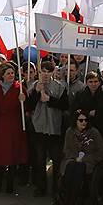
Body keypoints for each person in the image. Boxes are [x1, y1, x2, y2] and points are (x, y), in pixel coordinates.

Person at [26, 59, 68, 197]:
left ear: (53, 72)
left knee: (56, 159)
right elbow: (29, 106)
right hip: (39, 127)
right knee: (40, 160)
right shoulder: (33, 86)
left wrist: (49, 99)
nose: (45, 74)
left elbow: (64, 105)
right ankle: (40, 187)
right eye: (42, 71)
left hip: (54, 127)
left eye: (48, 71)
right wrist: (36, 93)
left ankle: (57, 187)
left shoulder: (60, 86)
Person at [57, 109, 103, 205]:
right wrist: (75, 158)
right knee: (70, 166)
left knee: (79, 167)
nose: (84, 122)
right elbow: (66, 149)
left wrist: (86, 158)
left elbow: (101, 150)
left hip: (88, 161)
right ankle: (67, 198)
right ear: (76, 121)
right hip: (73, 159)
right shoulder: (70, 132)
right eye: (81, 120)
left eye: (86, 120)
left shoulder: (94, 132)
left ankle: (75, 200)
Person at [0, 62, 27, 194]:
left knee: (13, 154)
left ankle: (10, 184)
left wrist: (24, 99)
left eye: (12, 73)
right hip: (0, 124)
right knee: (0, 154)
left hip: (14, 124)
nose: (11, 75)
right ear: (3, 75)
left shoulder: (20, 88)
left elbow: (25, 108)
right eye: (8, 73)